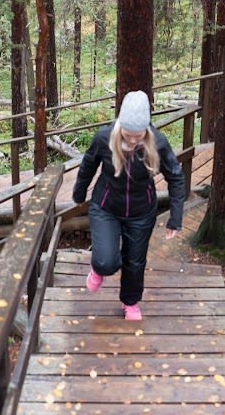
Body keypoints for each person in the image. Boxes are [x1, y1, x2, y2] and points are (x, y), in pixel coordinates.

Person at [73, 90, 185, 320]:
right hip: (106, 207)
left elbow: (175, 177)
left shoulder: (158, 142)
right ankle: (99, 269)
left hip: (141, 212)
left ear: (147, 129)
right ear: (120, 126)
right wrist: (79, 193)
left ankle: (130, 302)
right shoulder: (104, 138)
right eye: (128, 134)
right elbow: (88, 165)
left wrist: (175, 218)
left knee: (135, 262)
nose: (133, 140)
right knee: (106, 261)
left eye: (138, 135)